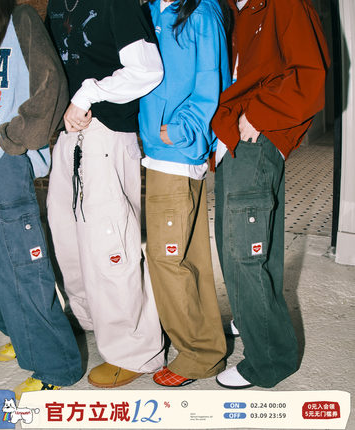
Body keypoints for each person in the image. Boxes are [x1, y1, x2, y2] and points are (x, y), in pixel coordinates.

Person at [0, 0, 83, 399]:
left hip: (5, 159)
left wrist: (17, 137)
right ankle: (21, 336)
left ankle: (56, 366)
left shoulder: (21, 18)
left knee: (22, 266)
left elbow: (51, 82)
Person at [45, 0, 165, 387]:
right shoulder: (57, 5)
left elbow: (147, 69)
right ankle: (93, 320)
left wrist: (88, 95)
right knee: (67, 239)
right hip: (68, 135)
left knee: (110, 245)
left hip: (107, 132)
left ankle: (135, 350)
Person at [212, 0, 330, 388]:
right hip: (232, 136)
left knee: (243, 253)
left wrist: (258, 116)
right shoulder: (234, 9)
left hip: (255, 135)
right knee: (243, 246)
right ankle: (253, 319)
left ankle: (269, 361)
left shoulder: (284, 3)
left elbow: (310, 76)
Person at [139, 0, 231, 387]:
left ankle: (198, 355)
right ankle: (206, 346)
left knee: (166, 259)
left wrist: (179, 131)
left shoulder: (199, 12)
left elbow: (213, 79)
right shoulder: (152, 10)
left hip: (175, 150)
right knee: (189, 258)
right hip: (160, 150)